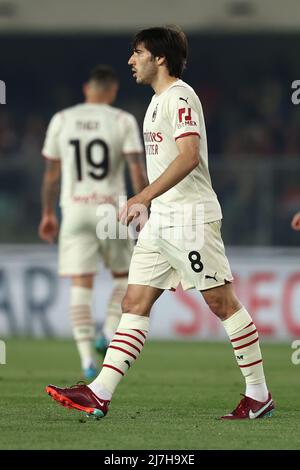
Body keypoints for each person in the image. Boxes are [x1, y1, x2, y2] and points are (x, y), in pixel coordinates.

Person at [46, 28, 274, 420]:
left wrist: (142, 196)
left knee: (221, 302)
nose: (131, 61)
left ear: (160, 58)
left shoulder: (180, 97)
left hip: (190, 218)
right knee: (134, 302)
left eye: (137, 53)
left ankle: (259, 395)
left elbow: (188, 157)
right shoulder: (155, 104)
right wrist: (149, 205)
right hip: (162, 221)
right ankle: (99, 392)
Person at [39, 65, 147, 378]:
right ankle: (109, 332)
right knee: (123, 275)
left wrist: (48, 213)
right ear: (112, 91)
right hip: (110, 209)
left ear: (87, 88)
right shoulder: (122, 120)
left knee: (80, 284)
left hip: (73, 210)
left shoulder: (62, 119)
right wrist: (141, 207)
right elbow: (136, 169)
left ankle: (86, 360)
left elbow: (51, 174)